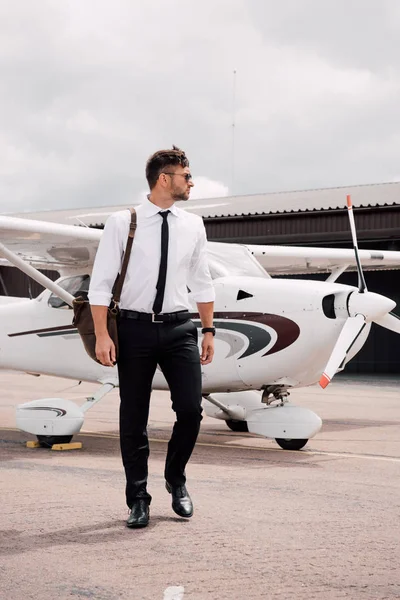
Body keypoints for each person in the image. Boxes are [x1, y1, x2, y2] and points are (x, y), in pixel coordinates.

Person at [88, 146, 215, 528]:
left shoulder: (192, 224)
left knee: (191, 411)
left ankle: (176, 480)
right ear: (164, 178)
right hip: (134, 329)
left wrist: (208, 329)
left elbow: (202, 280)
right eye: (186, 176)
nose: (191, 182)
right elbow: (101, 284)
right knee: (133, 418)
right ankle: (138, 499)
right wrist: (101, 336)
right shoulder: (121, 222)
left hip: (180, 328)